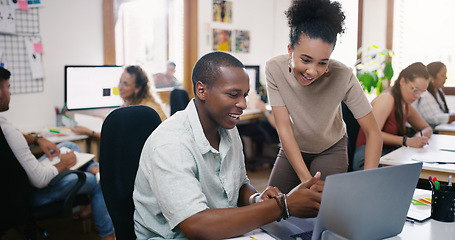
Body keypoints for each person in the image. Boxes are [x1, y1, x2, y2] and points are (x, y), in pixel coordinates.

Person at [133, 51, 324, 239]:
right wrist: (283, 206)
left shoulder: (227, 128)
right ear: (202, 90)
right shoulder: (171, 143)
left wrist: (256, 199)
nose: (242, 103)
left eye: (245, 95)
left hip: (222, 232)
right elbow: (196, 226)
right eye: (233, 95)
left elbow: (238, 184)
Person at [265, 0, 382, 193]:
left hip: (331, 149)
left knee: (324, 214)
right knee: (272, 207)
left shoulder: (343, 75)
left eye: (322, 63)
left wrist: (366, 183)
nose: (312, 71)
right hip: (293, 147)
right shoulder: (274, 69)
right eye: (305, 60)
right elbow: (284, 127)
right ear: (290, 50)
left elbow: (373, 133)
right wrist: (306, 181)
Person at [0, 67, 115, 240]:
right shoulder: (8, 130)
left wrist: (38, 139)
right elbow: (40, 180)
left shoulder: (3, 126)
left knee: (67, 145)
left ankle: (94, 168)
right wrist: (64, 164)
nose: (10, 93)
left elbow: (17, 139)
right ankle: (108, 236)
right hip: (31, 195)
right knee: (99, 182)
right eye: (8, 88)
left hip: (13, 191)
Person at [353, 62, 433, 171]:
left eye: (422, 92)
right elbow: (373, 134)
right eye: (415, 90)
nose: (418, 96)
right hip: (368, 158)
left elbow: (427, 128)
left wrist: (418, 137)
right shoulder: (387, 98)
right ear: (402, 81)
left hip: (388, 156)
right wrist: (406, 141)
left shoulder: (405, 105)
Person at [72, 65, 167, 138]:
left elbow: (122, 138)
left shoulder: (143, 110)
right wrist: (108, 120)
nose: (120, 87)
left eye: (125, 84)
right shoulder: (131, 103)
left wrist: (90, 132)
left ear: (138, 88)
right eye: (120, 81)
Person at [412, 61, 454, 129]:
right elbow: (434, 119)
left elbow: (445, 112)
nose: (446, 78)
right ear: (431, 77)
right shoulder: (425, 94)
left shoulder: (438, 92)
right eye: (442, 75)